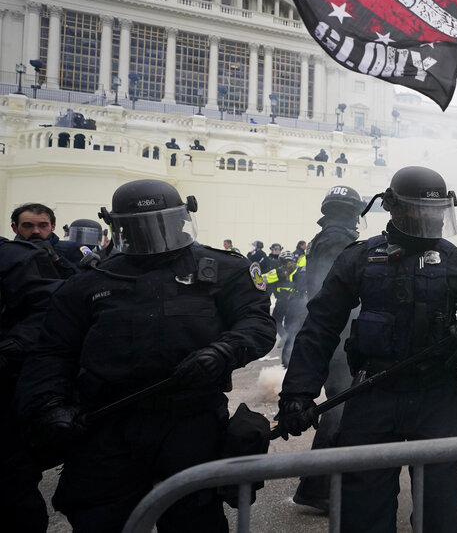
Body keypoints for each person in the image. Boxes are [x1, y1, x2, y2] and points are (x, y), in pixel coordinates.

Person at [16, 179, 276, 533]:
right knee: (98, 517)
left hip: (191, 420)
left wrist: (224, 351)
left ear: (183, 219)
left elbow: (257, 323)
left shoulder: (222, 269)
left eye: (164, 224)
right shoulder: (90, 281)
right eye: (141, 227)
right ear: (119, 227)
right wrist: (50, 405)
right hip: (109, 422)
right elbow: (52, 351)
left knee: (194, 517)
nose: (155, 235)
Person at [277, 166, 457, 532]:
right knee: (363, 512)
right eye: (423, 212)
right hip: (373, 394)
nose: (433, 220)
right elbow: (320, 327)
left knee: (440, 513)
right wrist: (297, 392)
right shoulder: (359, 258)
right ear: (393, 208)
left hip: (438, 398)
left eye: (438, 212)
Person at [291, 184, 365, 510]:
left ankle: (321, 485)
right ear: (352, 211)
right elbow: (340, 293)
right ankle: (317, 487)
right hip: (341, 338)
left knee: (341, 407)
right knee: (340, 410)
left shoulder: (326, 236)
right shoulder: (338, 240)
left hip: (335, 335)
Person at [0, 236, 63, 533]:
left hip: (4, 392)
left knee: (12, 487)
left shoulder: (15, 258)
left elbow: (51, 312)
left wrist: (9, 348)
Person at [11, 203, 79, 278]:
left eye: (43, 226)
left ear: (53, 227)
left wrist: (56, 259)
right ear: (15, 228)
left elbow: (83, 283)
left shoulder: (70, 250)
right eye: (27, 226)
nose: (36, 231)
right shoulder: (6, 252)